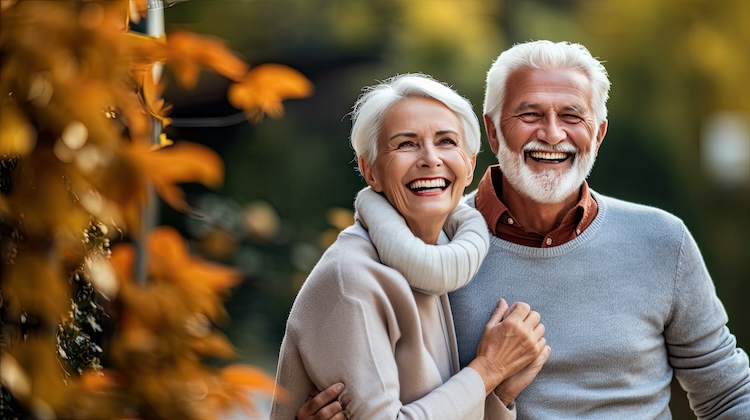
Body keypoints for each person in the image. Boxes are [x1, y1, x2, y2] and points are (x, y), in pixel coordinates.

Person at [303, 40, 750, 418]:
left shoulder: (662, 240)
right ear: (493, 133)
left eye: (572, 116)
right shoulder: (425, 250)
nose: (552, 134)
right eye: (530, 114)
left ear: (598, 134)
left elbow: (728, 393)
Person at [270, 74, 550, 419]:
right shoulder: (353, 280)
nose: (430, 159)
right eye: (405, 144)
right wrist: (488, 369)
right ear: (369, 170)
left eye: (446, 141)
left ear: (470, 165)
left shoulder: (439, 258)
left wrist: (497, 391)